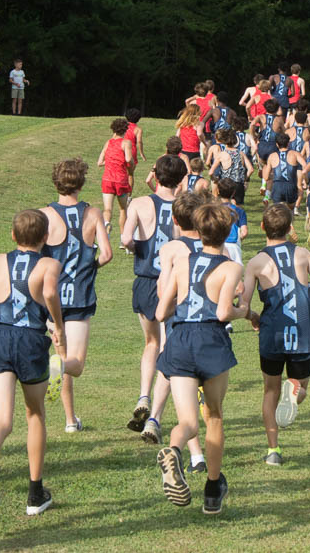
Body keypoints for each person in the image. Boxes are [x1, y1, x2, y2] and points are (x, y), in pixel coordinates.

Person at [0, 209, 68, 526]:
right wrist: (59, 326)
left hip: (0, 339)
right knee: (35, 414)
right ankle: (35, 494)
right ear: (46, 237)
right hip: (30, 342)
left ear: (13, 235)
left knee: (2, 419)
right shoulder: (50, 264)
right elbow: (49, 292)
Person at [155, 204, 248, 515]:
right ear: (226, 233)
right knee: (215, 415)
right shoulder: (230, 266)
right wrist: (243, 311)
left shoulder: (182, 262)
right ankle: (212, 488)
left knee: (187, 422)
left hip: (180, 340)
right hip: (210, 340)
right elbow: (223, 312)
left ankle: (174, 449)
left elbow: (160, 312)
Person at [242, 205, 310, 466]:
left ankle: (274, 451)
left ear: (262, 227)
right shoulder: (303, 254)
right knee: (301, 385)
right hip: (303, 330)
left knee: (270, 391)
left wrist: (253, 319)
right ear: (290, 228)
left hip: (272, 332)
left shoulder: (256, 262)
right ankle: (296, 392)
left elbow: (244, 304)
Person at [40, 159, 114, 433]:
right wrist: (90, 267)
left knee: (63, 358)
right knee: (74, 364)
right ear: (81, 183)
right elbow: (106, 254)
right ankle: (69, 419)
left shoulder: (43, 214)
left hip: (52, 297)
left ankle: (70, 420)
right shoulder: (93, 213)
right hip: (80, 296)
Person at [148, 191, 214, 475]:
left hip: (178, 320)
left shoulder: (171, 249)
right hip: (209, 323)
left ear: (174, 219)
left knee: (180, 381)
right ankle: (198, 453)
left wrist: (176, 304)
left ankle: (195, 453)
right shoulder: (215, 244)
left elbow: (164, 289)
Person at [121, 155, 184, 434]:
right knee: (169, 348)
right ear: (181, 180)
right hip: (174, 283)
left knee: (150, 343)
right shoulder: (185, 206)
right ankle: (155, 417)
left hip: (146, 281)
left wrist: (139, 248)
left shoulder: (139, 203)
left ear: (155, 176)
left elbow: (125, 239)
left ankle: (143, 395)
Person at [97, 118, 133, 244]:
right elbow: (128, 159)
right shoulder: (126, 143)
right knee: (123, 209)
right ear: (125, 130)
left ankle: (106, 225)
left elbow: (99, 162)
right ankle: (123, 238)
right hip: (121, 180)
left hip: (107, 179)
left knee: (107, 209)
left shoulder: (108, 142)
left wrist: (111, 161)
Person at [215, 179, 249, 265]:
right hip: (234, 246)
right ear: (233, 193)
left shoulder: (214, 210)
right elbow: (244, 232)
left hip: (218, 245)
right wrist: (238, 239)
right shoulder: (239, 211)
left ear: (218, 191)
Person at [125, 109, 145, 193]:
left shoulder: (123, 126)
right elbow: (139, 142)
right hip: (131, 152)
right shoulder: (138, 129)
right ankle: (129, 195)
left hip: (121, 149)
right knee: (130, 174)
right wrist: (141, 153)